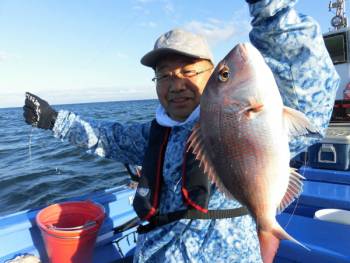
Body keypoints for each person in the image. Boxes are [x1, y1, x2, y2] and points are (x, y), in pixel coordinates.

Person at [23, 0, 339, 262]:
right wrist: (52, 119)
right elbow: (106, 137)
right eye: (164, 76)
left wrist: (271, 10)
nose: (176, 85)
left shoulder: (251, 118)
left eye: (188, 71)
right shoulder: (154, 134)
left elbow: (312, 88)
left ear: (211, 76)